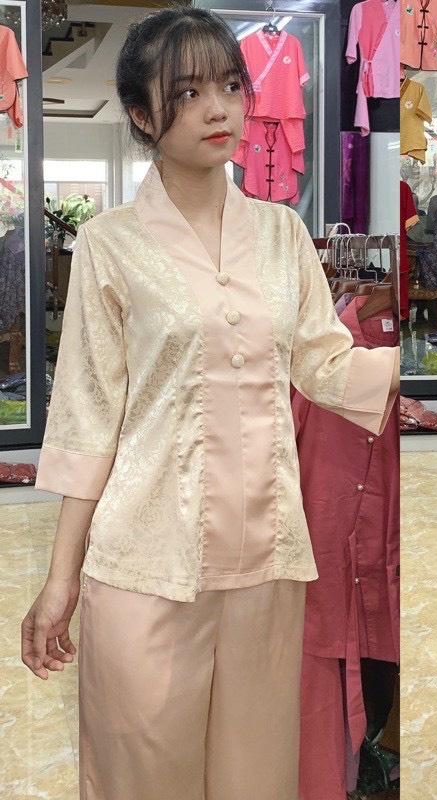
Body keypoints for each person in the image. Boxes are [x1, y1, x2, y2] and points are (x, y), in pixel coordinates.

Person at [20, 8, 399, 799]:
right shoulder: (110, 245)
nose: (218, 109)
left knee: (254, 772)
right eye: (187, 93)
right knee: (142, 766)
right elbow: (89, 413)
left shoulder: (282, 234)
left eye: (229, 86)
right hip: (145, 557)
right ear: (141, 115)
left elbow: (323, 365)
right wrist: (60, 580)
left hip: (264, 559)